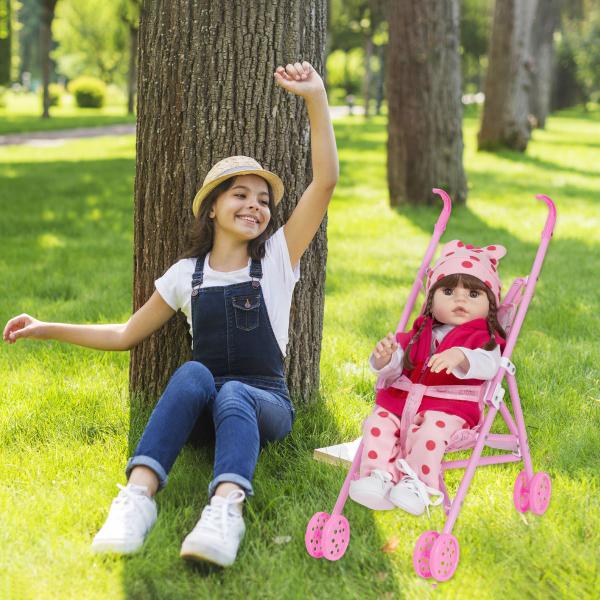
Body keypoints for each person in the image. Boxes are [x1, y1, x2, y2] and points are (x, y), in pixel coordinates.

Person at [3, 61, 338, 567]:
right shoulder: (186, 275)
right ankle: (136, 500)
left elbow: (326, 182)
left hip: (263, 404)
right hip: (207, 412)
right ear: (212, 208)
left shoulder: (275, 260)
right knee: (193, 372)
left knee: (236, 392)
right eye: (240, 195)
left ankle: (224, 510)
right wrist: (45, 327)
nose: (256, 206)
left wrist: (315, 97)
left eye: (264, 200)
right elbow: (123, 334)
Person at [348, 240, 507, 516]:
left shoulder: (484, 339)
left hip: (449, 409)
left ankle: (418, 484)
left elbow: (490, 365)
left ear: (490, 306)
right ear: (431, 303)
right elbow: (400, 365)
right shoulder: (421, 332)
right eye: (448, 291)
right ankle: (378, 477)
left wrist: (462, 356)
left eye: (473, 294)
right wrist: (386, 359)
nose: (460, 300)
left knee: (431, 433)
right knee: (377, 423)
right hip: (403, 402)